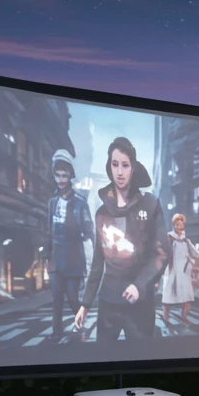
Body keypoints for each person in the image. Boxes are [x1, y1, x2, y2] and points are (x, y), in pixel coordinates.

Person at [74, 137, 167, 341]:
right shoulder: (102, 213)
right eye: (115, 164)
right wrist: (86, 304)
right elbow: (98, 262)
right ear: (109, 166)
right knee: (104, 362)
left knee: (140, 363)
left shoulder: (150, 205)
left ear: (133, 168)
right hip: (109, 303)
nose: (119, 171)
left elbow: (161, 254)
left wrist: (139, 285)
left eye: (125, 165)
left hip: (140, 304)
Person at [42, 150, 93, 341]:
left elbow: (90, 232)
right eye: (58, 175)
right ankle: (56, 335)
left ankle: (81, 322)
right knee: (56, 298)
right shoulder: (52, 203)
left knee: (72, 298)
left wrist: (91, 259)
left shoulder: (80, 203)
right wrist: (46, 256)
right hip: (56, 257)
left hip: (73, 257)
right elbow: (48, 231)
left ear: (70, 176)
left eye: (64, 175)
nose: (61, 180)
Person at [161, 213, 199, 327]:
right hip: (172, 269)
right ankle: (165, 317)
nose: (179, 225)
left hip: (184, 271)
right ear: (174, 225)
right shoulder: (169, 237)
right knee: (169, 294)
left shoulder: (185, 240)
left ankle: (184, 317)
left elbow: (194, 254)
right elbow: (163, 251)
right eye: (177, 223)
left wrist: (191, 263)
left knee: (187, 296)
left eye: (181, 223)